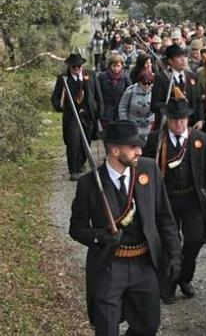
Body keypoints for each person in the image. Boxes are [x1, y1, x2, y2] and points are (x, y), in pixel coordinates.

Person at [68, 120, 182, 336]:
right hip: (109, 266)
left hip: (144, 263)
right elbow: (76, 228)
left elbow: (165, 218)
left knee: (148, 326)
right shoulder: (90, 184)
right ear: (115, 149)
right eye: (132, 147)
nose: (139, 151)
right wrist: (99, 237)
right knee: (107, 330)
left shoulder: (149, 170)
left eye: (139, 145)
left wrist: (175, 256)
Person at [142, 99, 206, 304]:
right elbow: (145, 170)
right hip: (167, 199)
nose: (178, 124)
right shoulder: (156, 140)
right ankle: (169, 284)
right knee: (168, 242)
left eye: (182, 120)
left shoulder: (200, 139)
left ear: (188, 119)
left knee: (195, 239)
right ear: (168, 120)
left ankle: (184, 276)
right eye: (174, 120)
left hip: (192, 198)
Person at [52, 52, 104, 180]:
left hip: (88, 116)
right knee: (73, 142)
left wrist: (98, 111)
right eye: (73, 67)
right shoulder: (63, 78)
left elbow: (98, 95)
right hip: (72, 117)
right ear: (69, 67)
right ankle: (73, 170)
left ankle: (81, 163)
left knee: (85, 142)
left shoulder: (91, 75)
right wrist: (59, 106)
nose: (76, 69)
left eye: (79, 67)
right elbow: (55, 97)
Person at [150, 44, 204, 129]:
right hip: (171, 124)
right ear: (171, 61)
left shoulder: (192, 76)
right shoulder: (162, 78)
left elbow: (198, 101)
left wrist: (200, 119)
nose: (183, 60)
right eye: (179, 57)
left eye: (185, 56)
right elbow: (155, 105)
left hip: (191, 124)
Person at [119, 70, 156, 139]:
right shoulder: (130, 92)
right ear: (139, 82)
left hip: (148, 127)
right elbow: (122, 107)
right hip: (132, 126)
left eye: (149, 84)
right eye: (144, 84)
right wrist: (125, 122)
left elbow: (156, 108)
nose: (146, 86)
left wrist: (151, 119)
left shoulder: (155, 92)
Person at [97, 53, 131, 127]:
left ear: (122, 66)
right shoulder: (102, 77)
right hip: (105, 110)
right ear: (110, 66)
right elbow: (97, 93)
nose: (116, 68)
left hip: (119, 110)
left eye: (118, 66)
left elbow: (129, 93)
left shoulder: (125, 78)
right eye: (114, 66)